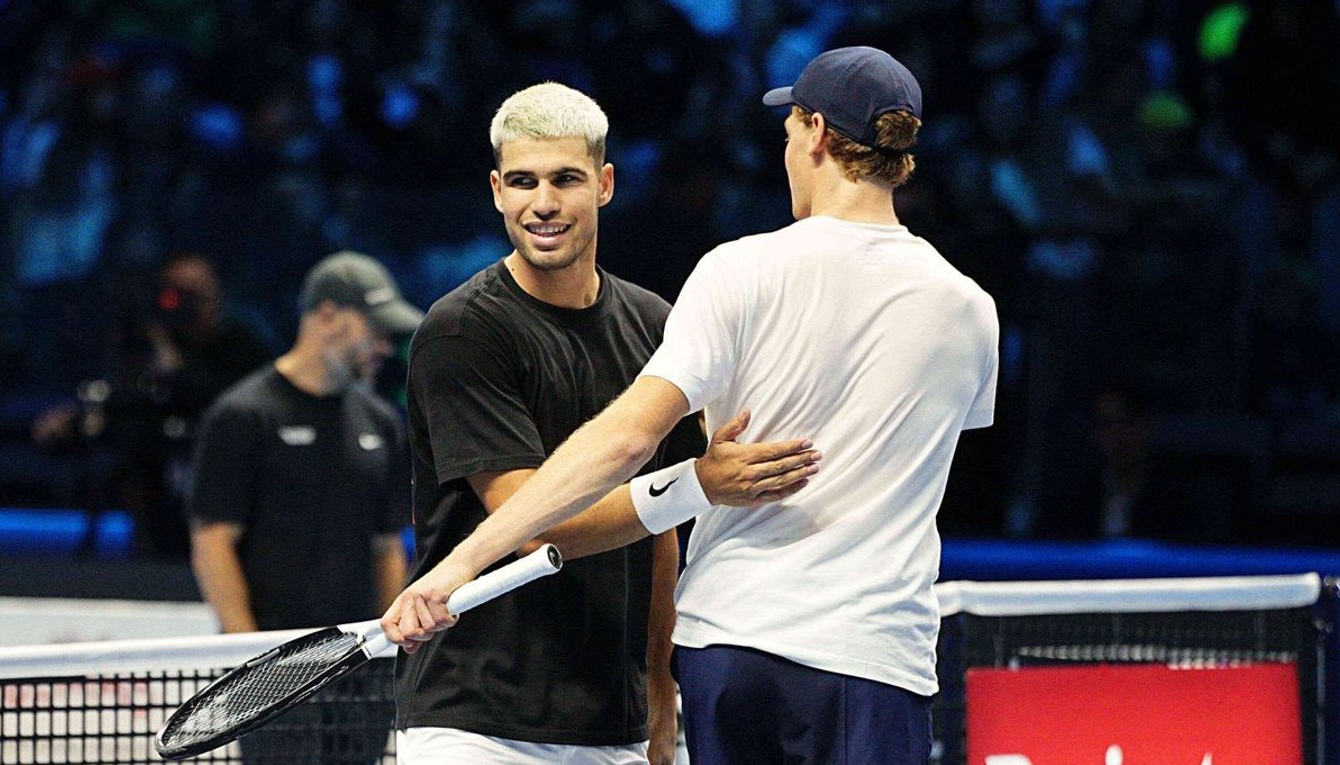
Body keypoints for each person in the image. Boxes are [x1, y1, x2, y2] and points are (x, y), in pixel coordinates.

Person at [383, 48, 999, 765]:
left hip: (727, 649)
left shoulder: (735, 271)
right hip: (868, 654)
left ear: (816, 133)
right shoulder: (969, 308)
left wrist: (459, 565)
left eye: (790, 131)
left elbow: (625, 443)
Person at [390, 82, 820, 765]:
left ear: (606, 184)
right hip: (473, 721)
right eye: (524, 182)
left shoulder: (657, 323)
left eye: (566, 179)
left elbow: (660, 543)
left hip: (612, 726)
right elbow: (530, 521)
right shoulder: (461, 330)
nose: (544, 203)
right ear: (498, 190)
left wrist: (656, 695)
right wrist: (695, 485)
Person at [187, 251, 424, 764]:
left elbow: (386, 547)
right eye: (376, 330)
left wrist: (390, 652)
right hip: (275, 676)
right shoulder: (243, 415)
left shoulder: (382, 424)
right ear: (327, 318)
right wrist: (250, 662)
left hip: (360, 674)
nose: (385, 345)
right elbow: (212, 544)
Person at [31, 251, 274, 558]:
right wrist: (78, 417)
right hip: (154, 493)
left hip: (226, 496)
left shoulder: (241, 347)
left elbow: (225, 405)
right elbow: (123, 400)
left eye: (194, 296)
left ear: (216, 298)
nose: (183, 306)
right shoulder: (144, 345)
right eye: (175, 294)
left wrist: (174, 369)